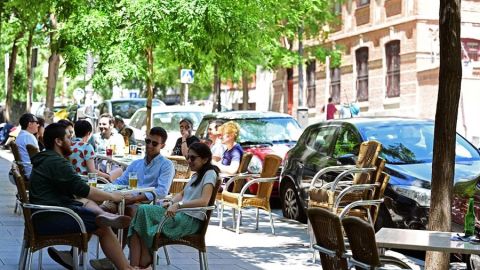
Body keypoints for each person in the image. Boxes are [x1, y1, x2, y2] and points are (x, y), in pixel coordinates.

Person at [28, 123, 142, 270]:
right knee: (102, 226)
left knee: (87, 208)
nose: (71, 141)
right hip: (50, 217)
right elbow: (84, 190)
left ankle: (104, 214)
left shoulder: (45, 159)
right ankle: (126, 268)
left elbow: (75, 189)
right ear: (58, 141)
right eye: (68, 138)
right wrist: (113, 197)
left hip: (43, 215)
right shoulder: (56, 162)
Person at [128, 142, 219, 268]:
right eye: (188, 157)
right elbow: (182, 194)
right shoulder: (196, 175)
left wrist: (178, 206)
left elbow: (204, 201)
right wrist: (171, 202)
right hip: (180, 216)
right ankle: (137, 264)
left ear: (205, 159)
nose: (189, 161)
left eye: (193, 158)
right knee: (140, 213)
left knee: (139, 219)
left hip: (189, 221)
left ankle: (142, 261)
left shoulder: (210, 174)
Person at [15, 113, 39, 178]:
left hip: (26, 172)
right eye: (36, 122)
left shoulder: (20, 136)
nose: (38, 125)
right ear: (29, 124)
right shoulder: (29, 136)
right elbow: (39, 158)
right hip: (33, 173)